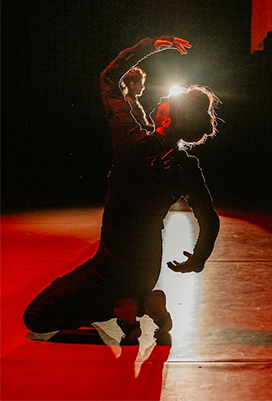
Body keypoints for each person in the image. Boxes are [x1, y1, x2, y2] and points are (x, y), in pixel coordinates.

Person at [23, 35, 220, 344]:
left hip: (111, 268)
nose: (163, 98)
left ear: (167, 117)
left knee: (36, 316)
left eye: (168, 99)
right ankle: (142, 301)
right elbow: (210, 220)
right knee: (70, 293)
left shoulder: (131, 142)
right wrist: (197, 259)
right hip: (147, 268)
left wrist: (151, 44)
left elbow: (108, 78)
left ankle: (131, 304)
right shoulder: (187, 167)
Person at [120, 66, 154, 131]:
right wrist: (156, 128)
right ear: (132, 85)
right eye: (141, 83)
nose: (143, 87)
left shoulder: (132, 100)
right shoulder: (129, 102)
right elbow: (139, 125)